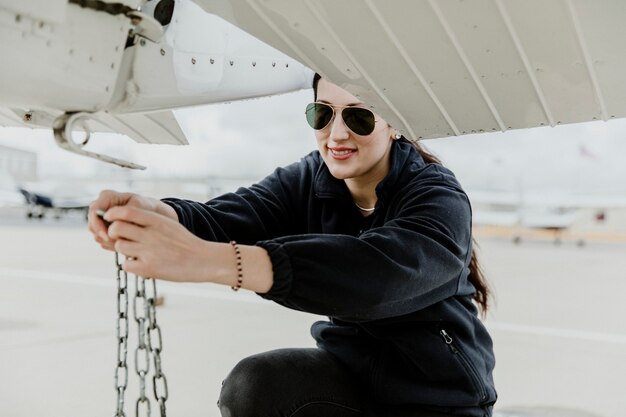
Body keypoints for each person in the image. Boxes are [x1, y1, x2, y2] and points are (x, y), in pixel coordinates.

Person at [88, 74, 497, 417]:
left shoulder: (437, 195)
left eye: (359, 117)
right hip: (349, 378)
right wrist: (156, 213)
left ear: (396, 123)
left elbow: (377, 276)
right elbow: (233, 216)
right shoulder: (309, 179)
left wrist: (218, 263)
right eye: (322, 114)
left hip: (438, 397)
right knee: (254, 384)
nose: (337, 134)